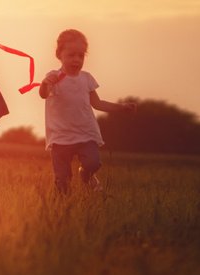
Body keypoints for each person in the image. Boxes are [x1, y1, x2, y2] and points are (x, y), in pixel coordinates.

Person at [38, 28, 134, 194]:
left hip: (85, 133)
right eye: (71, 55)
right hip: (60, 136)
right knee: (62, 179)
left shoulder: (86, 78)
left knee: (93, 163)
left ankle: (86, 174)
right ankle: (63, 206)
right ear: (59, 54)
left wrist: (121, 107)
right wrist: (45, 84)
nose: (76, 60)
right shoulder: (53, 77)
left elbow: (97, 104)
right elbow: (43, 94)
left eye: (81, 56)